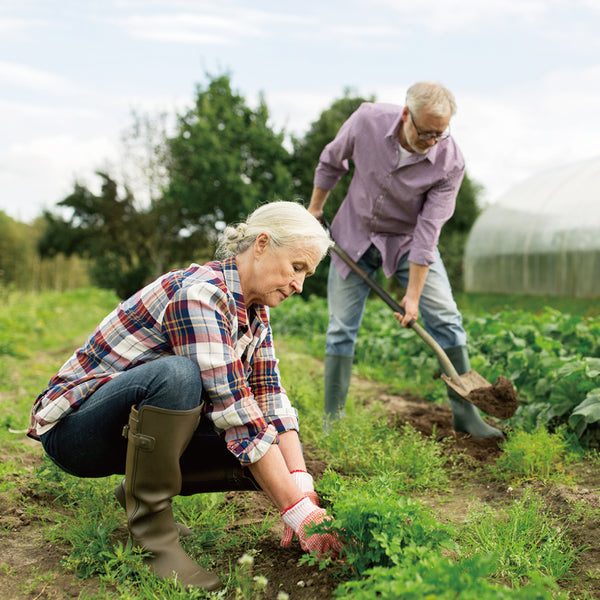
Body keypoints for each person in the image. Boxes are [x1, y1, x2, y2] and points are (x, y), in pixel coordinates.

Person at [28, 201, 342, 591]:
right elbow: (237, 413)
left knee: (267, 456)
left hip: (127, 431)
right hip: (75, 432)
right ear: (261, 244)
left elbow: (270, 398)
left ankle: (137, 492)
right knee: (179, 377)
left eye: (307, 274)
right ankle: (151, 536)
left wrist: (303, 491)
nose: (299, 285)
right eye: (297, 268)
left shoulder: (254, 314)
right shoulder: (201, 295)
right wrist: (295, 512)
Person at [308, 81, 501, 439]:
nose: (431, 141)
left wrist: (412, 294)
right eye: (425, 132)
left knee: (445, 317)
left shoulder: (450, 162)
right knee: (341, 328)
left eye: (439, 135)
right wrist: (314, 210)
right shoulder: (367, 120)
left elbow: (429, 233)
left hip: (408, 242)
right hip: (354, 233)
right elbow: (332, 161)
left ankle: (467, 416)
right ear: (405, 114)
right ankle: (332, 421)